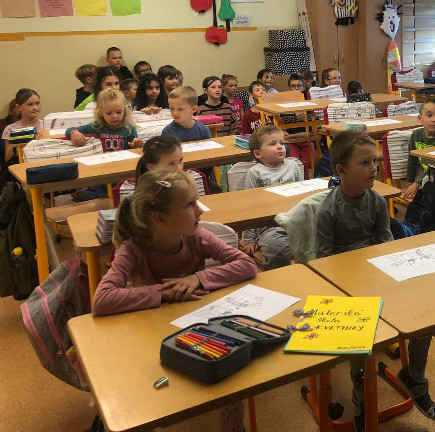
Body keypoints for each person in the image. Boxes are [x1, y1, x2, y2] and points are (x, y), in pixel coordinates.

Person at [92, 169, 257, 432]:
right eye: (190, 204)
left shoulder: (196, 235)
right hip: (148, 333)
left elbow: (247, 265)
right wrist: (163, 292)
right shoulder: (133, 248)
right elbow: (101, 300)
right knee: (146, 388)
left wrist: (198, 278)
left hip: (195, 325)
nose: (200, 210)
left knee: (230, 370)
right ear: (160, 219)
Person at [316, 130, 435, 429]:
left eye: (374, 161)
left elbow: (385, 244)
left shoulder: (376, 201)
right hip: (346, 285)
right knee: (360, 336)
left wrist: (392, 275)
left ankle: (415, 375)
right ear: (342, 170)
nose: (374, 168)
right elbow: (324, 262)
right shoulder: (328, 210)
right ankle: (360, 393)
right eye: (365, 163)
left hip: (377, 275)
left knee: (426, 313)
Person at [241, 125, 303, 269]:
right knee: (277, 249)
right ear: (258, 154)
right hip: (270, 226)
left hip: (296, 221)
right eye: (273, 144)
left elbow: (303, 195)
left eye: (282, 142)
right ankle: (280, 279)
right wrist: (249, 240)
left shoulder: (293, 165)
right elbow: (250, 207)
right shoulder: (255, 173)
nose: (280, 147)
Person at [401, 97, 435, 201]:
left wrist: (417, 184)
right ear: (420, 118)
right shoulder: (416, 135)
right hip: (424, 175)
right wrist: (410, 183)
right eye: (429, 115)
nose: (434, 120)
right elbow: (412, 159)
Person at [67, 88, 143, 151]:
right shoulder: (96, 127)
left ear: (125, 111)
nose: (114, 116)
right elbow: (69, 130)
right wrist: (74, 133)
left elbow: (135, 151)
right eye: (109, 113)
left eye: (119, 112)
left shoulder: (130, 129)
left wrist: (137, 146)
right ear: (101, 113)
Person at [2, 89, 43, 164]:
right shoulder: (10, 129)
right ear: (18, 107)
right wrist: (15, 138)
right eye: (30, 104)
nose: (35, 107)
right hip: (22, 167)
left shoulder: (46, 125)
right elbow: (8, 160)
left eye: (37, 103)